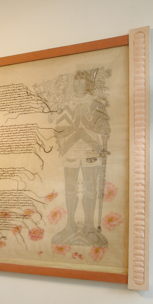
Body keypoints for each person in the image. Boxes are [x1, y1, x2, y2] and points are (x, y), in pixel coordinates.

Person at [51, 69, 110, 247]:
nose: (78, 85)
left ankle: (89, 227)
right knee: (70, 188)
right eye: (76, 82)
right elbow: (59, 128)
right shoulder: (67, 104)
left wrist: (102, 134)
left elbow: (104, 126)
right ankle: (70, 225)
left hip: (90, 149)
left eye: (82, 82)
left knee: (90, 188)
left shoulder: (96, 103)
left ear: (87, 84)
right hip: (71, 150)